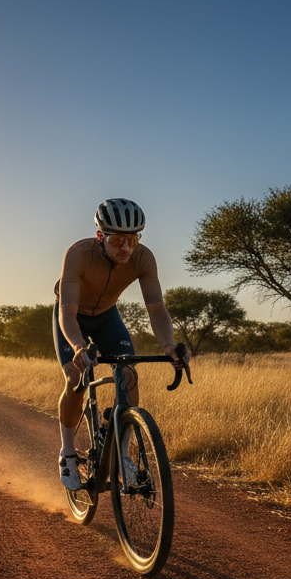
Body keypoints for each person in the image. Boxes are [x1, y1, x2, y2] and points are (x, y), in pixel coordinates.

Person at [54, 198, 181, 490]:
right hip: (72, 316)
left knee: (129, 375)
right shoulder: (78, 254)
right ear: (101, 236)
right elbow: (67, 312)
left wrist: (169, 345)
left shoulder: (143, 258)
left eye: (133, 239)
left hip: (107, 317)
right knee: (76, 379)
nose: (126, 248)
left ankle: (121, 455)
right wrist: (77, 347)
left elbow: (156, 308)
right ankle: (68, 452)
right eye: (118, 240)